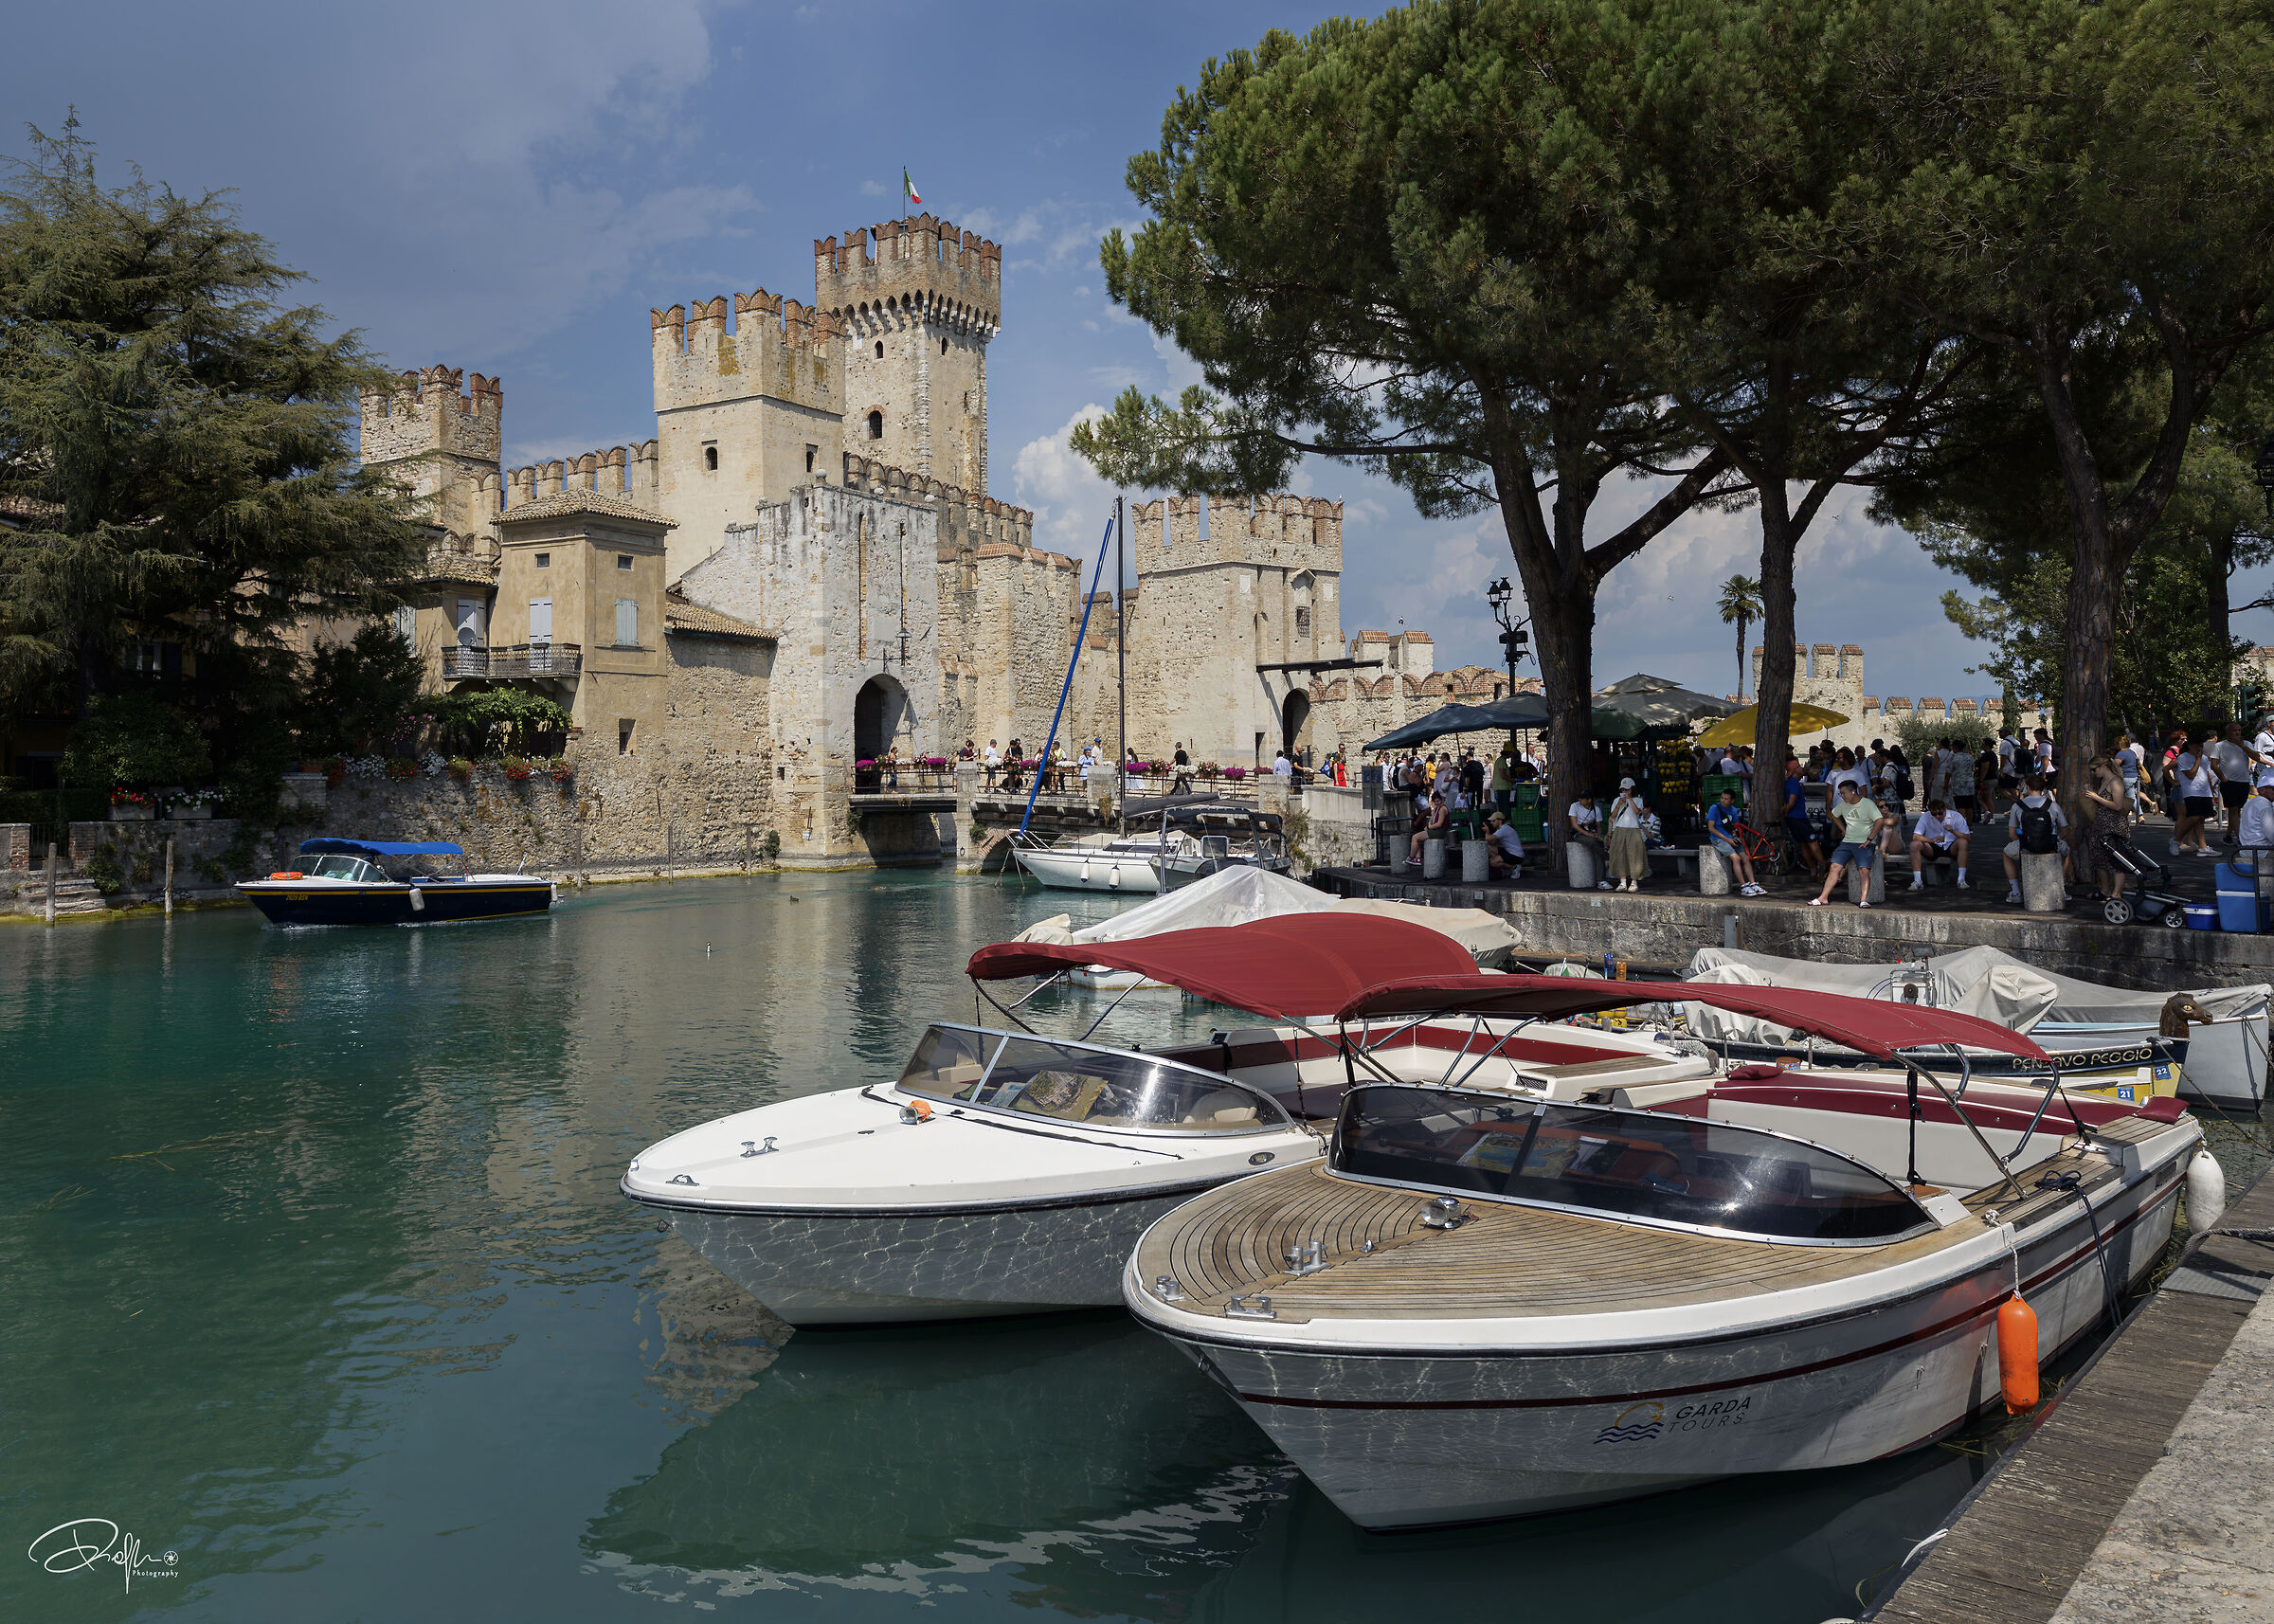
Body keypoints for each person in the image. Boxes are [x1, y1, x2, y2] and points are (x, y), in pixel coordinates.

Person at [1812, 780, 1892, 908]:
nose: (1842, 796)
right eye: (1840, 794)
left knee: (1864, 870)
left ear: (1853, 791)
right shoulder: (1844, 805)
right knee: (1834, 867)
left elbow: (1879, 821)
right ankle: (1823, 897)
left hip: (1864, 842)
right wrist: (1843, 829)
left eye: (1843, 793)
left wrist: (1870, 839)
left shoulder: (1867, 804)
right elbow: (1833, 815)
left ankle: (1863, 900)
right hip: (1848, 842)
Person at [2002, 777, 2073, 903]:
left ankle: (2016, 892)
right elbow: (2065, 831)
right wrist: (2051, 839)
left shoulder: (2017, 806)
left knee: (2006, 854)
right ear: (2043, 788)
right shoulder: (2053, 805)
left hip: (2026, 845)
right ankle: (2060, 889)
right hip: (2050, 845)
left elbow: (2012, 834)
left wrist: (2026, 840)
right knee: (2066, 853)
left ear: (2027, 787)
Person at [2080, 754, 2132, 907]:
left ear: (2103, 767)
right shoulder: (2104, 781)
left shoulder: (2116, 782)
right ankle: (2106, 890)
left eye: (2094, 770)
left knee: (2117, 860)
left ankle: (2116, 894)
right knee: (2099, 857)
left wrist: (2096, 798)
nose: (2093, 773)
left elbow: (2118, 806)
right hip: (2101, 824)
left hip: (2114, 826)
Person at [1706, 788, 1764, 896]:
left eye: (1726, 799)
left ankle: (1753, 883)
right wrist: (1727, 840)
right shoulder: (1714, 808)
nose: (1723, 801)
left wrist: (1734, 836)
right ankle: (1743, 886)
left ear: (1732, 800)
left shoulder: (1733, 810)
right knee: (1736, 858)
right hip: (1718, 838)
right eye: (1722, 798)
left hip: (1731, 838)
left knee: (1745, 858)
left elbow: (1733, 827)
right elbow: (1711, 828)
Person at [1908, 799, 1972, 890]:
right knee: (1914, 845)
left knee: (1963, 842)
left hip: (1951, 846)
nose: (1937, 816)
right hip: (1933, 847)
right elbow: (1916, 836)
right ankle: (1918, 880)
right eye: (1934, 814)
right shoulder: (1925, 817)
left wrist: (1953, 831)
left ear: (1944, 809)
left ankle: (1961, 879)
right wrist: (1931, 840)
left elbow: (1968, 838)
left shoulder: (1956, 816)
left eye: (1940, 813)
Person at [2214, 721, 2256, 847]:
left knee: (2237, 811)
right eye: (2234, 730)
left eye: (2239, 730)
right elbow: (2213, 764)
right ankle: (2240, 837)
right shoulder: (2220, 746)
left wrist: (2242, 745)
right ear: (2228, 732)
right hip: (2229, 782)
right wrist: (2222, 777)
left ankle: (2228, 836)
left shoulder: (2247, 744)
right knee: (2233, 809)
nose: (2237, 733)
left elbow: (2256, 757)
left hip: (2243, 781)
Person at [2175, 742, 2219, 856]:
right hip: (2191, 791)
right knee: (2194, 817)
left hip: (2205, 792)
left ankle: (2203, 846)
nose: (2199, 748)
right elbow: (2191, 774)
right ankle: (2176, 840)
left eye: (2200, 746)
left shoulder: (2204, 758)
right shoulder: (2183, 758)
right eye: (2196, 745)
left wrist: (2211, 792)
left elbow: (2207, 775)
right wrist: (2198, 760)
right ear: (2190, 745)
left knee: (2201, 819)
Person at [1782, 759, 1824, 875]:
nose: (1802, 768)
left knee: (1803, 844)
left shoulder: (1790, 782)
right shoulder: (1794, 783)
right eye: (1799, 766)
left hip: (1794, 819)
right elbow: (1792, 802)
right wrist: (1786, 813)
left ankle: (1813, 870)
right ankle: (1822, 870)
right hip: (1799, 818)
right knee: (1813, 843)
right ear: (1795, 770)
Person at [1606, 778, 1649, 893]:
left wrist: (1629, 799)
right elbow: (1613, 816)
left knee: (1634, 855)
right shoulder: (1617, 800)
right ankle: (1623, 882)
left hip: (1633, 829)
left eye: (1627, 789)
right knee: (1620, 854)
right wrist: (1618, 804)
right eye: (1622, 789)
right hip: (1619, 829)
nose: (1624, 791)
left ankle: (1634, 881)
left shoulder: (1638, 800)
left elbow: (1636, 812)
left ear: (1632, 789)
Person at [1566, 791, 1609, 888]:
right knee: (1593, 842)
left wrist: (1598, 834)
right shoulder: (1574, 806)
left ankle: (1601, 880)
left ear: (1589, 800)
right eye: (1580, 798)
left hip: (1592, 832)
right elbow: (1574, 825)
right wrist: (1588, 835)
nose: (1580, 800)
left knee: (1597, 850)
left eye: (1583, 798)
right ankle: (1608, 856)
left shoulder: (1596, 809)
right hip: (1578, 833)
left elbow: (1599, 826)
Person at [1409, 790, 1451, 865]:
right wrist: (1428, 826)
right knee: (1416, 838)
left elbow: (1439, 824)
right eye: (1435, 801)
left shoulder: (1443, 809)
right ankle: (1417, 858)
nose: (1437, 803)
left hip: (1439, 831)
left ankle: (1411, 857)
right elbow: (1431, 820)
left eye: (1438, 801)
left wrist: (1429, 827)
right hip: (1434, 830)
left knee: (1415, 837)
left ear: (1441, 800)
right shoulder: (1436, 809)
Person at [1486, 810, 1525, 879]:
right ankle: (1504, 866)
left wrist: (1487, 831)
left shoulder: (1504, 829)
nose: (1491, 823)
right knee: (1487, 847)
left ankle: (1514, 868)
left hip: (1516, 856)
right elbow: (1491, 843)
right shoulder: (1500, 829)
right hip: (1509, 852)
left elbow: (1488, 839)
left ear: (1500, 821)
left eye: (1493, 820)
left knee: (1492, 862)